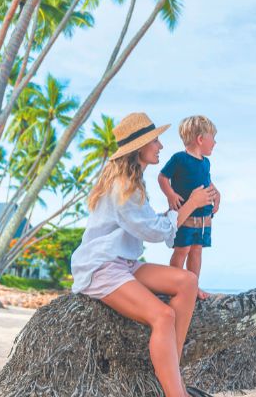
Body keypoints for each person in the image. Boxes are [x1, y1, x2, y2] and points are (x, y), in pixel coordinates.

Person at [71, 112, 216, 397]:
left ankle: (170, 373)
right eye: (156, 140)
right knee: (162, 316)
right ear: (141, 147)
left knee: (186, 281)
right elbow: (154, 233)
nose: (161, 145)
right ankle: (177, 394)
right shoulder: (123, 188)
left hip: (124, 262)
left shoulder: (134, 183)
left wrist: (194, 204)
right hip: (101, 267)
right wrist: (190, 205)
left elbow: (156, 226)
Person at [158, 115, 220, 300]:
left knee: (196, 251)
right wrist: (170, 194)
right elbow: (162, 177)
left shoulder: (205, 162)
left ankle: (194, 286)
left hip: (204, 218)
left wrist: (217, 194)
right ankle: (172, 285)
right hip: (185, 216)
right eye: (213, 139)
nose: (215, 143)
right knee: (182, 250)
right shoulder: (179, 159)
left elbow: (207, 182)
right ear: (200, 139)